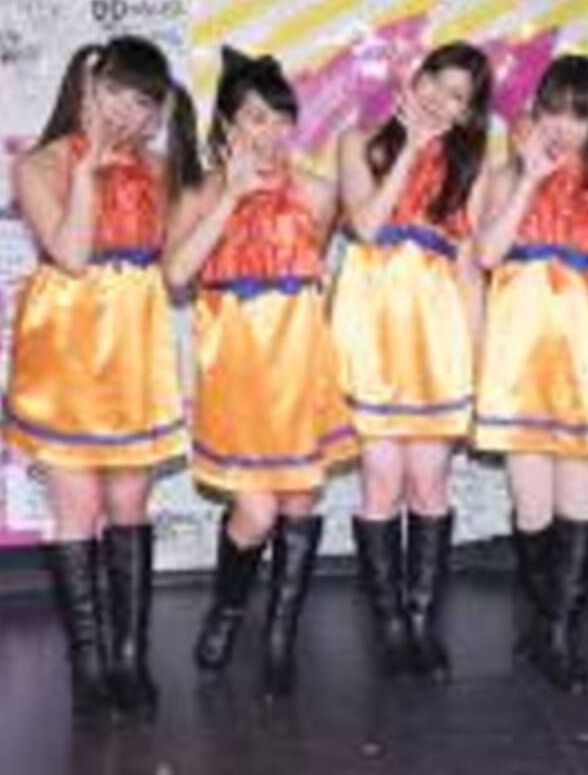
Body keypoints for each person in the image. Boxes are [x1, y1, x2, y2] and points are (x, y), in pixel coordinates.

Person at [3, 35, 201, 719]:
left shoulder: (162, 170)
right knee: (76, 509)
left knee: (129, 504)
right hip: (65, 345)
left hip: (134, 345)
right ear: (86, 90)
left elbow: (177, 273)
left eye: (143, 101)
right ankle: (88, 662)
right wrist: (88, 170)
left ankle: (129, 657)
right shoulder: (40, 164)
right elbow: (70, 254)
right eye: (114, 92)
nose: (127, 111)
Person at [164, 47, 357, 699]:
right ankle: (227, 609)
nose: (271, 133)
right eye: (256, 118)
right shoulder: (200, 192)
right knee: (254, 510)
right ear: (227, 125)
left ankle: (280, 638)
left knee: (299, 503)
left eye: (281, 119)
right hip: (238, 370)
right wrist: (232, 198)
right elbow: (177, 275)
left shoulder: (319, 192)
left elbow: (315, 272)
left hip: (300, 364)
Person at [331, 42, 493, 681]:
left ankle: (421, 619)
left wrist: (478, 367)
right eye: (433, 81)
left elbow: (470, 273)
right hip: (371, 331)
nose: (437, 99)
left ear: (467, 112)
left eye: (455, 96)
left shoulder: (472, 167)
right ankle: (389, 624)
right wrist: (411, 151)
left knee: (428, 481)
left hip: (435, 336)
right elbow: (368, 228)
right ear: (413, 78)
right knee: (380, 479)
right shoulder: (357, 144)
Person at [474, 55, 588, 692]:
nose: (564, 126)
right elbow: (487, 254)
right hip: (519, 363)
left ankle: (559, 634)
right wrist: (529, 181)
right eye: (554, 110)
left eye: (580, 114)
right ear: (535, 112)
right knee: (531, 507)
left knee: (578, 504)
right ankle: (544, 622)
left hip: (586, 363)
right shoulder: (501, 178)